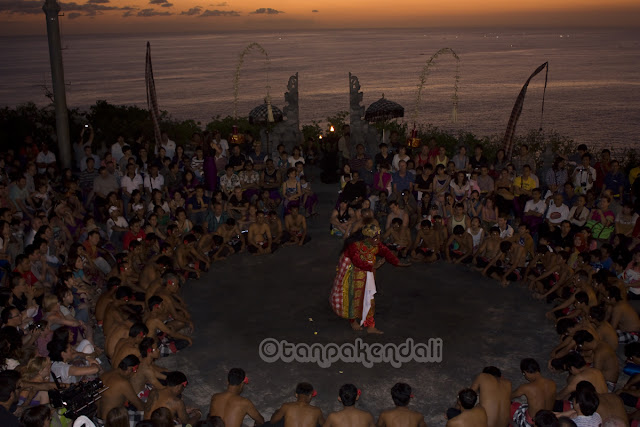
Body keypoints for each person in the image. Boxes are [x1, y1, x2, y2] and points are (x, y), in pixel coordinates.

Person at [329, 223, 410, 334]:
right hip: (353, 276)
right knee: (353, 299)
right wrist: (372, 266)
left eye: (378, 237)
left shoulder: (375, 244)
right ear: (367, 238)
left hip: (368, 275)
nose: (378, 240)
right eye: (375, 238)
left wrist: (397, 262)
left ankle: (370, 326)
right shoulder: (355, 246)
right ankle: (353, 321)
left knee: (369, 299)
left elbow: (385, 251)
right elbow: (356, 261)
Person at [511, 358, 557, 427]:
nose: (525, 376)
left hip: (533, 423)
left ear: (526, 372)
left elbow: (509, 396)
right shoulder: (552, 383)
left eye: (524, 374)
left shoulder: (526, 387)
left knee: (510, 406)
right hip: (547, 422)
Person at [97, 354, 145, 420]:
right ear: (129, 369)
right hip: (109, 423)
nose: (135, 373)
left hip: (97, 418)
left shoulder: (104, 375)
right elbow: (139, 406)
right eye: (135, 371)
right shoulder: (122, 383)